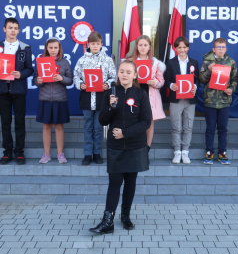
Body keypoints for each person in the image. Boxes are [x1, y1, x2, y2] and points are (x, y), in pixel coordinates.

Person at [89, 60, 151, 234]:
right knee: (114, 182)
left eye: (128, 72)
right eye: (121, 71)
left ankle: (125, 216)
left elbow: (146, 121)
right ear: (118, 74)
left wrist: (126, 132)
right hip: (116, 146)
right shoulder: (110, 92)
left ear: (135, 75)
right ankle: (107, 221)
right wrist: (110, 107)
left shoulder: (141, 94)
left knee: (131, 182)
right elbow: (102, 120)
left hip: (135, 145)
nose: (124, 75)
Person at [74, 32, 116, 166]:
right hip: (87, 97)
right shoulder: (82, 60)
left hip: (101, 98)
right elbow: (76, 76)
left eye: (98, 44)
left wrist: (107, 84)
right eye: (93, 44)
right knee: (88, 127)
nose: (95, 46)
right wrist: (80, 84)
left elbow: (113, 77)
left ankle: (97, 153)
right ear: (88, 44)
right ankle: (87, 154)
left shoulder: (107, 60)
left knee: (98, 127)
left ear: (101, 44)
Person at [33, 37, 73, 163]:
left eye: (55, 47)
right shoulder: (41, 61)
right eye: (50, 48)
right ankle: (47, 154)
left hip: (59, 99)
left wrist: (61, 78)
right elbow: (35, 78)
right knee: (46, 126)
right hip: (45, 98)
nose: (53, 50)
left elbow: (70, 80)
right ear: (46, 48)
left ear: (59, 48)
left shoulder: (65, 62)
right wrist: (38, 81)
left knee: (59, 126)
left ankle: (60, 154)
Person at [0, 18, 33, 165]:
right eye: (10, 27)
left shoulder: (25, 47)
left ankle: (19, 152)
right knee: (5, 122)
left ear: (19, 30)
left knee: (20, 122)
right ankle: (7, 152)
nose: (13, 30)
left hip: (19, 90)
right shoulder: (0, 47)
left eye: (15, 28)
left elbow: (30, 69)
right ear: (4, 29)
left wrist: (21, 74)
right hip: (3, 90)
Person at [199, 38, 238, 165]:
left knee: (223, 129)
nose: (221, 50)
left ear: (226, 48)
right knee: (210, 128)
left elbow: (234, 80)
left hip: (224, 101)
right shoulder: (207, 61)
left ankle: (223, 152)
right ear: (213, 49)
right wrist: (209, 71)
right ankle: (209, 152)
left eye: (223, 47)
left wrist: (231, 89)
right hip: (210, 100)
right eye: (218, 47)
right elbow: (202, 79)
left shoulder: (231, 62)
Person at [126, 35, 166, 150]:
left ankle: (147, 147)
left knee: (149, 122)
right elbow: (123, 78)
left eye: (145, 45)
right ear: (136, 47)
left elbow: (161, 81)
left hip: (150, 96)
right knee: (134, 120)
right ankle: (135, 145)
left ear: (149, 47)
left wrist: (154, 82)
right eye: (140, 45)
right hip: (133, 95)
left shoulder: (155, 63)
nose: (143, 48)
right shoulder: (129, 61)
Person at [164, 36, 199, 164]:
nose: (182, 49)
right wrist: (171, 85)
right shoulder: (170, 62)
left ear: (188, 48)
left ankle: (185, 151)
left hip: (190, 99)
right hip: (175, 99)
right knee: (176, 127)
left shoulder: (194, 62)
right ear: (176, 48)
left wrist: (195, 86)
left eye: (184, 47)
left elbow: (197, 79)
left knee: (188, 126)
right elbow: (166, 79)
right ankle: (177, 152)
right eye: (180, 47)